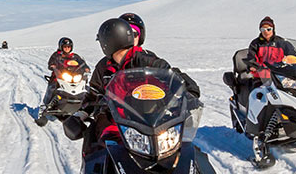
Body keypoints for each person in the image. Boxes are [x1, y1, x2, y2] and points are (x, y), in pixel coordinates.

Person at [70, 18, 200, 156]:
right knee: (100, 152)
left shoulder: (146, 60)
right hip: (116, 123)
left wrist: (187, 94)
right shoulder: (104, 67)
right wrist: (81, 113)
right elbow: (94, 93)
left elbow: (171, 76)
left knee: (182, 152)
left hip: (152, 122)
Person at [42, 37, 91, 108]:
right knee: (53, 85)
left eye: (69, 46)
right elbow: (51, 62)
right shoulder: (57, 55)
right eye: (65, 47)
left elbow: (82, 63)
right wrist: (53, 66)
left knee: (85, 86)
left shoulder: (75, 56)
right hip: (59, 76)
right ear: (61, 47)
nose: (67, 48)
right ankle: (48, 104)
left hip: (74, 76)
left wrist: (86, 68)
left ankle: (87, 104)